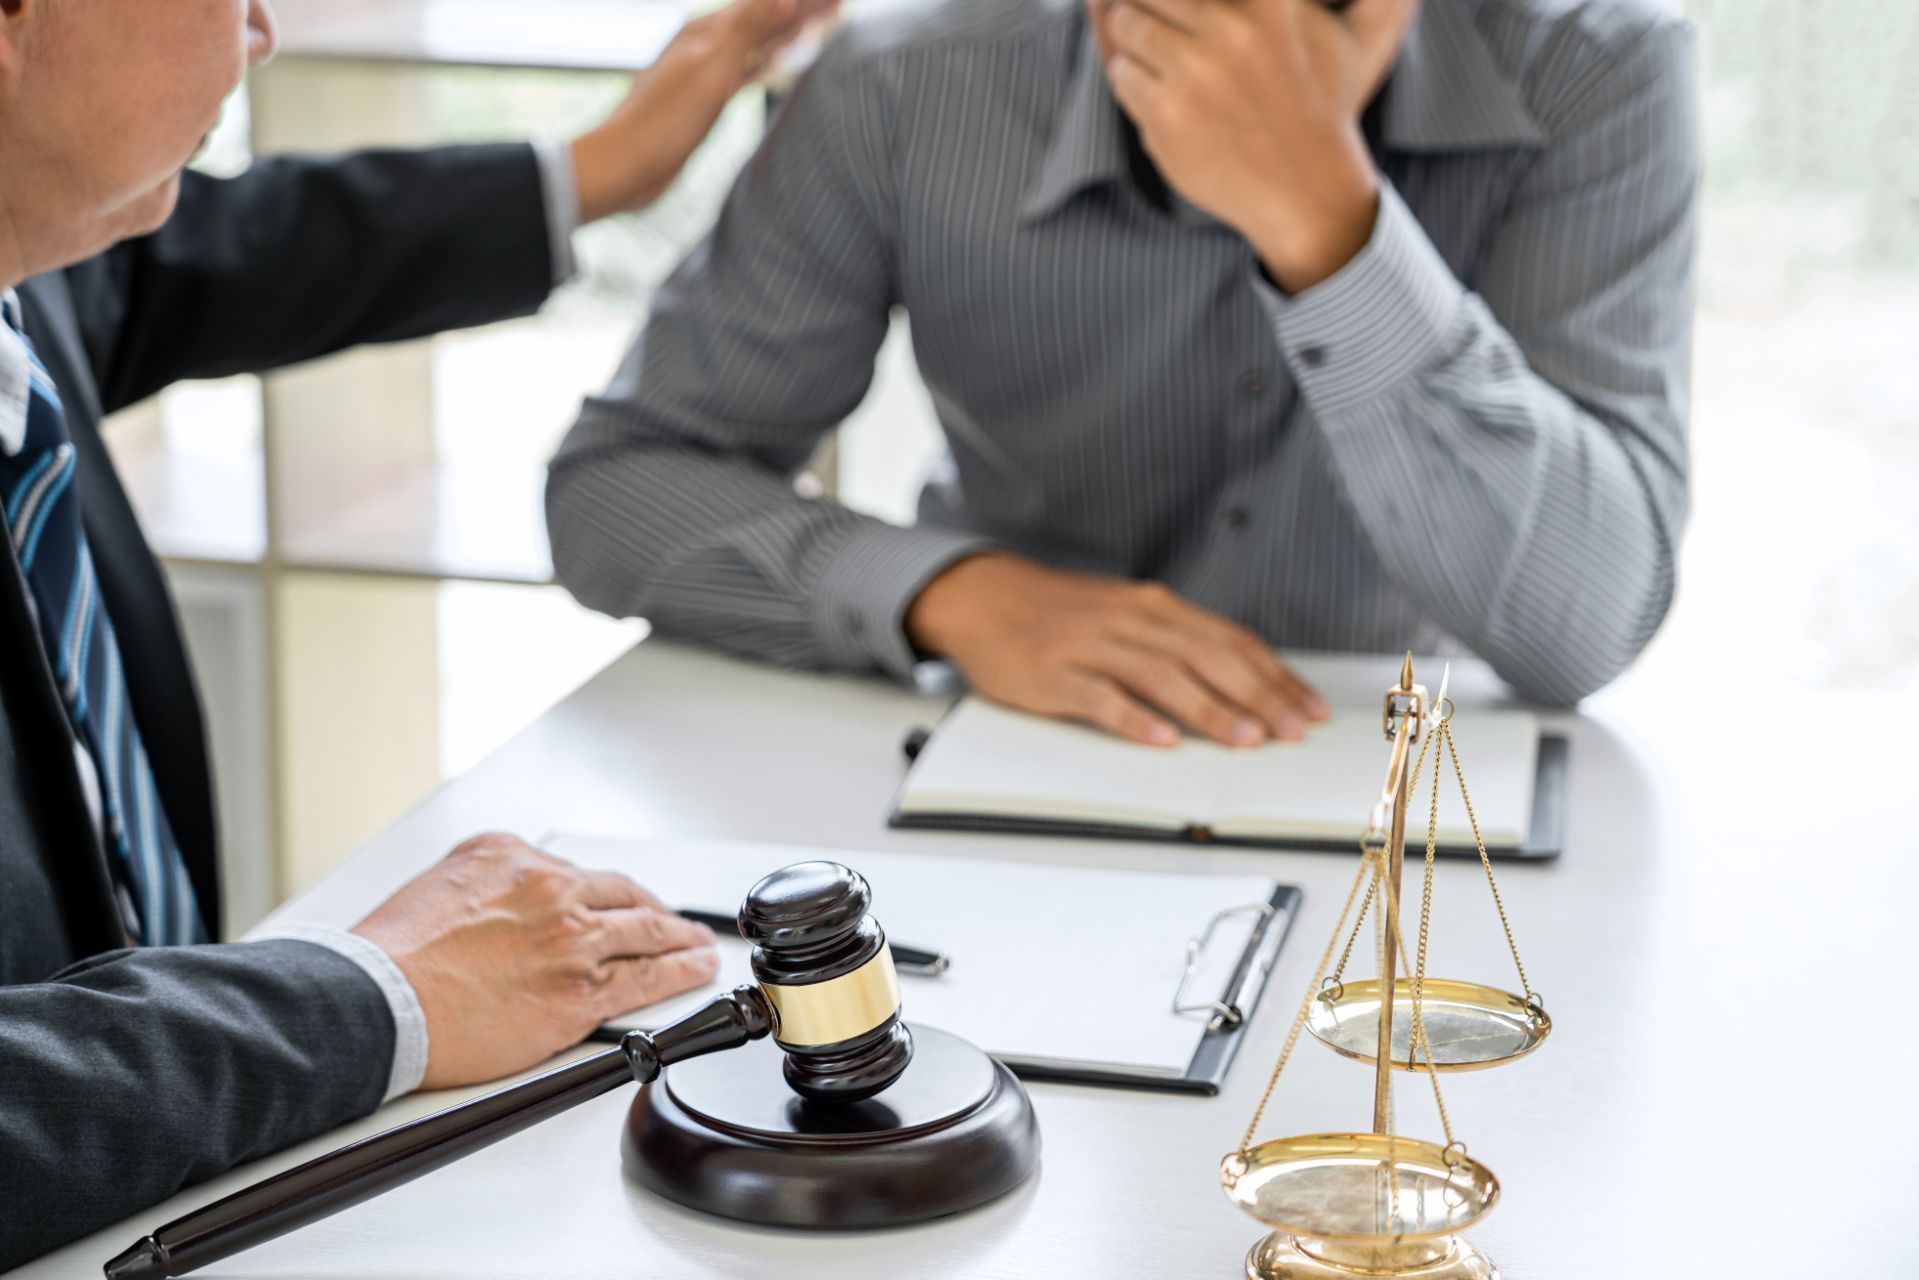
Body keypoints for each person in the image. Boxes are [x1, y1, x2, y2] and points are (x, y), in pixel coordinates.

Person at [0, 0, 826, 1265]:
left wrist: (593, 169)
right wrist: (369, 996)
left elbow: (187, 253)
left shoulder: (29, 253)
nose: (262, 28)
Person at [545, 0, 1697, 748]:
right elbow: (616, 488)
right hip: (1010, 751)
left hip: (1401, 777)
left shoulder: (1596, 64)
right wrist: (950, 594)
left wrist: (1323, 223)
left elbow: (1581, 629)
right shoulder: (902, 83)